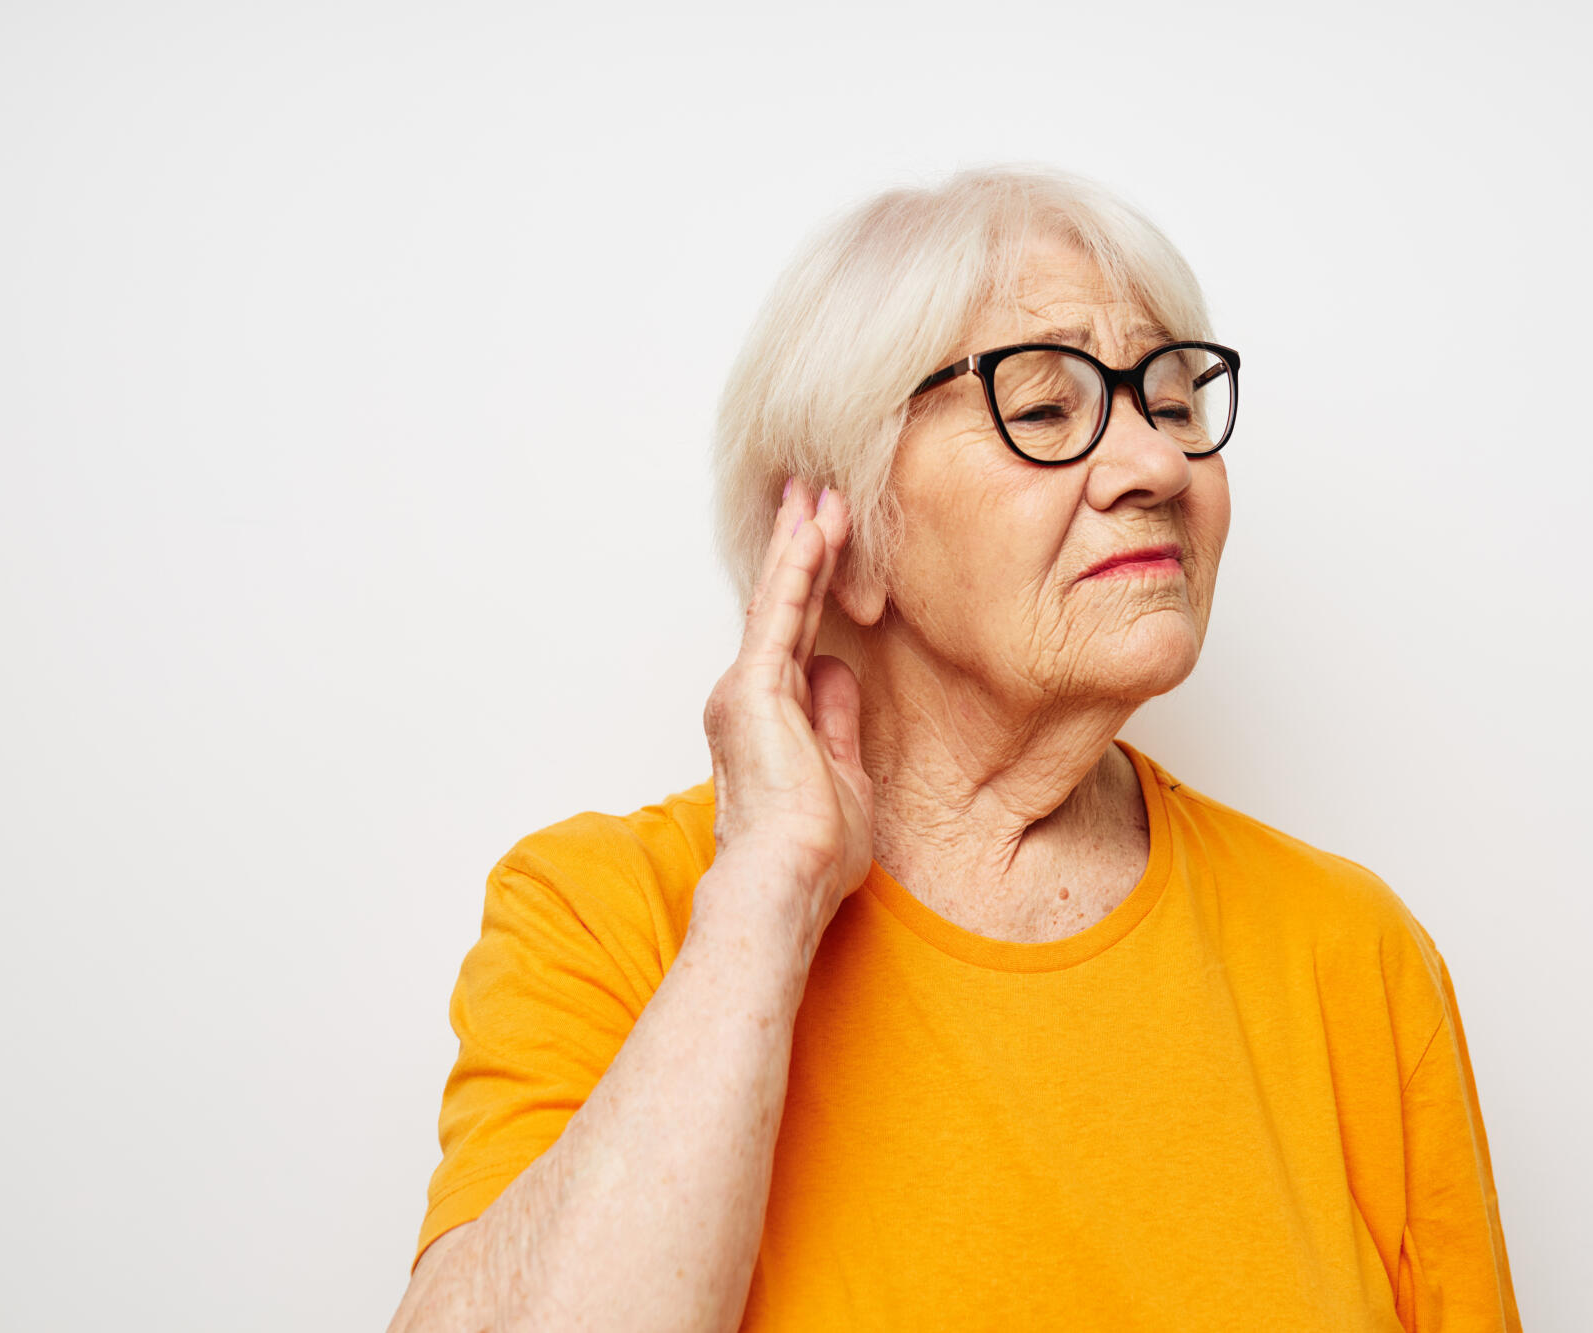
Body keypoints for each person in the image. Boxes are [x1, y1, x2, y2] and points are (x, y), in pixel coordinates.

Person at [387, 165, 1522, 1333]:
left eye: (1174, 404)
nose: (1158, 467)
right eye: (1043, 410)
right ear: (842, 537)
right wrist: (763, 899)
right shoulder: (605, 916)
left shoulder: (1354, 956)